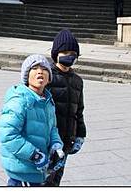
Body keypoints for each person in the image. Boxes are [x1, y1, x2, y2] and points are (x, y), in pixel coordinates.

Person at [0, 54, 64, 186]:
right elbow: (8, 135)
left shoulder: (47, 101)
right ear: (26, 75)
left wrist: (56, 145)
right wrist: (34, 155)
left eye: (44, 69)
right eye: (34, 68)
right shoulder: (19, 100)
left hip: (39, 172)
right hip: (22, 172)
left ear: (49, 78)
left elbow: (52, 128)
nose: (40, 71)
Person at [45, 29, 87, 186]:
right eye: (65, 52)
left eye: (73, 53)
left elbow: (79, 110)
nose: (69, 56)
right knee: (44, 180)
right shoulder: (47, 76)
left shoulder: (77, 81)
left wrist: (80, 134)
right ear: (56, 53)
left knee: (56, 179)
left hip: (66, 140)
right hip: (49, 140)